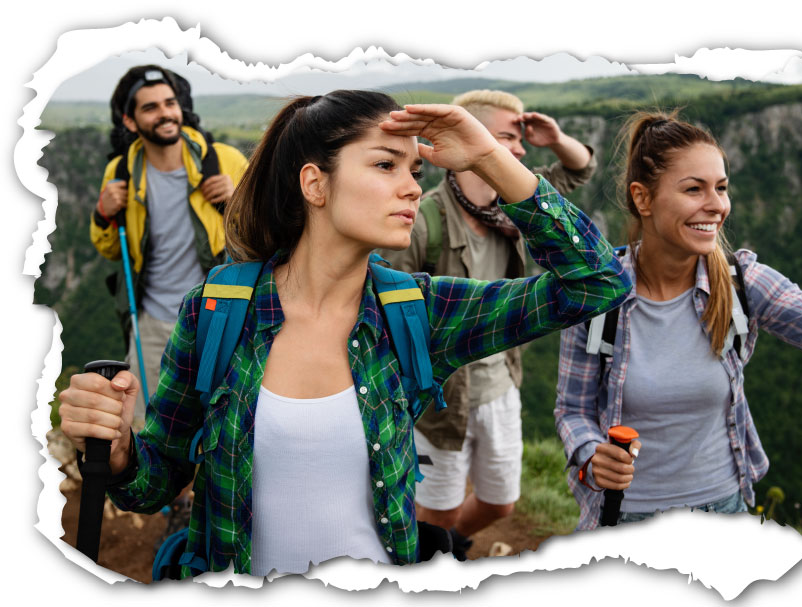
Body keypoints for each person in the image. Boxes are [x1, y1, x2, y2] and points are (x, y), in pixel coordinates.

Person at [59, 90, 631, 576]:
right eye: (386, 165)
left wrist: (486, 156)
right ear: (315, 183)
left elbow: (598, 282)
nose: (411, 187)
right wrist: (119, 451)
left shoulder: (418, 311)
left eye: (415, 171)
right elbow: (153, 484)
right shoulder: (216, 311)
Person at [554, 111, 802, 529]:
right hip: (624, 518)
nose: (717, 205)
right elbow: (572, 408)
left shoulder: (742, 284)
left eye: (721, 188)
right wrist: (591, 456)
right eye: (694, 189)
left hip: (725, 512)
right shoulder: (595, 295)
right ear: (642, 198)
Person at [377, 89, 597, 546]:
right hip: (441, 399)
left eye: (518, 142)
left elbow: (580, 169)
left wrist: (553, 138)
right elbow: (386, 314)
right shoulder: (424, 220)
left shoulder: (513, 203)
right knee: (437, 510)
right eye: (504, 138)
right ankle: (431, 565)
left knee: (500, 503)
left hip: (500, 384)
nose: (517, 150)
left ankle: (445, 550)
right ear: (466, 141)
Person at [90, 64, 249, 426]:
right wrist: (103, 213)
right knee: (144, 426)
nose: (165, 113)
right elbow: (111, 249)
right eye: (151, 107)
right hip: (151, 323)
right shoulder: (120, 171)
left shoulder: (224, 161)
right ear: (130, 122)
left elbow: (261, 237)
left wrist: (234, 200)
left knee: (224, 422)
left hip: (218, 317)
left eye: (169, 103)